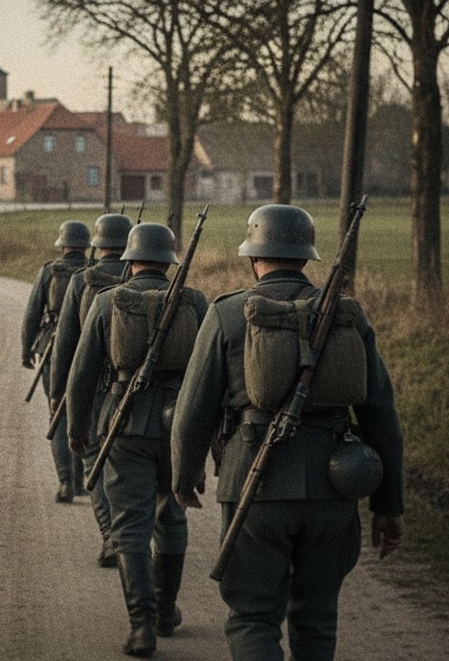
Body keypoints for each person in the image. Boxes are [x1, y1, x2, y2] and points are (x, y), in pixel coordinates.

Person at [171, 204, 405, 661]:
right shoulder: (347, 316)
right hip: (335, 486)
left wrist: (184, 476)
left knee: (253, 618)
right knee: (317, 617)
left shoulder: (227, 314)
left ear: (253, 257)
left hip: (253, 489)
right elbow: (381, 414)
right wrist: (388, 504)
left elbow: (192, 409)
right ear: (306, 256)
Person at [66, 223, 208, 657]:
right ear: (169, 262)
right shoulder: (196, 302)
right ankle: (166, 611)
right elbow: (208, 377)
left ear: (128, 260)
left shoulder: (108, 301)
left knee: (130, 527)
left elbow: (82, 373)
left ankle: (142, 625)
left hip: (123, 426)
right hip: (179, 426)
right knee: (172, 517)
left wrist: (77, 430)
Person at [49, 212, 133, 568]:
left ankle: (112, 537)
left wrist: (58, 394)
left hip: (96, 389)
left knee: (94, 462)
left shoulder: (83, 281)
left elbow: (66, 345)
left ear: (97, 245)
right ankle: (138, 537)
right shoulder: (151, 280)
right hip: (139, 393)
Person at [21, 219, 91, 503]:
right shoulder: (93, 273)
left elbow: (32, 313)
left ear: (62, 245)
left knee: (58, 415)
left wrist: (26, 350)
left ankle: (65, 482)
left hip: (51, 349)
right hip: (87, 350)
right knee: (83, 414)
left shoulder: (49, 271)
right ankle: (78, 480)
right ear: (86, 246)